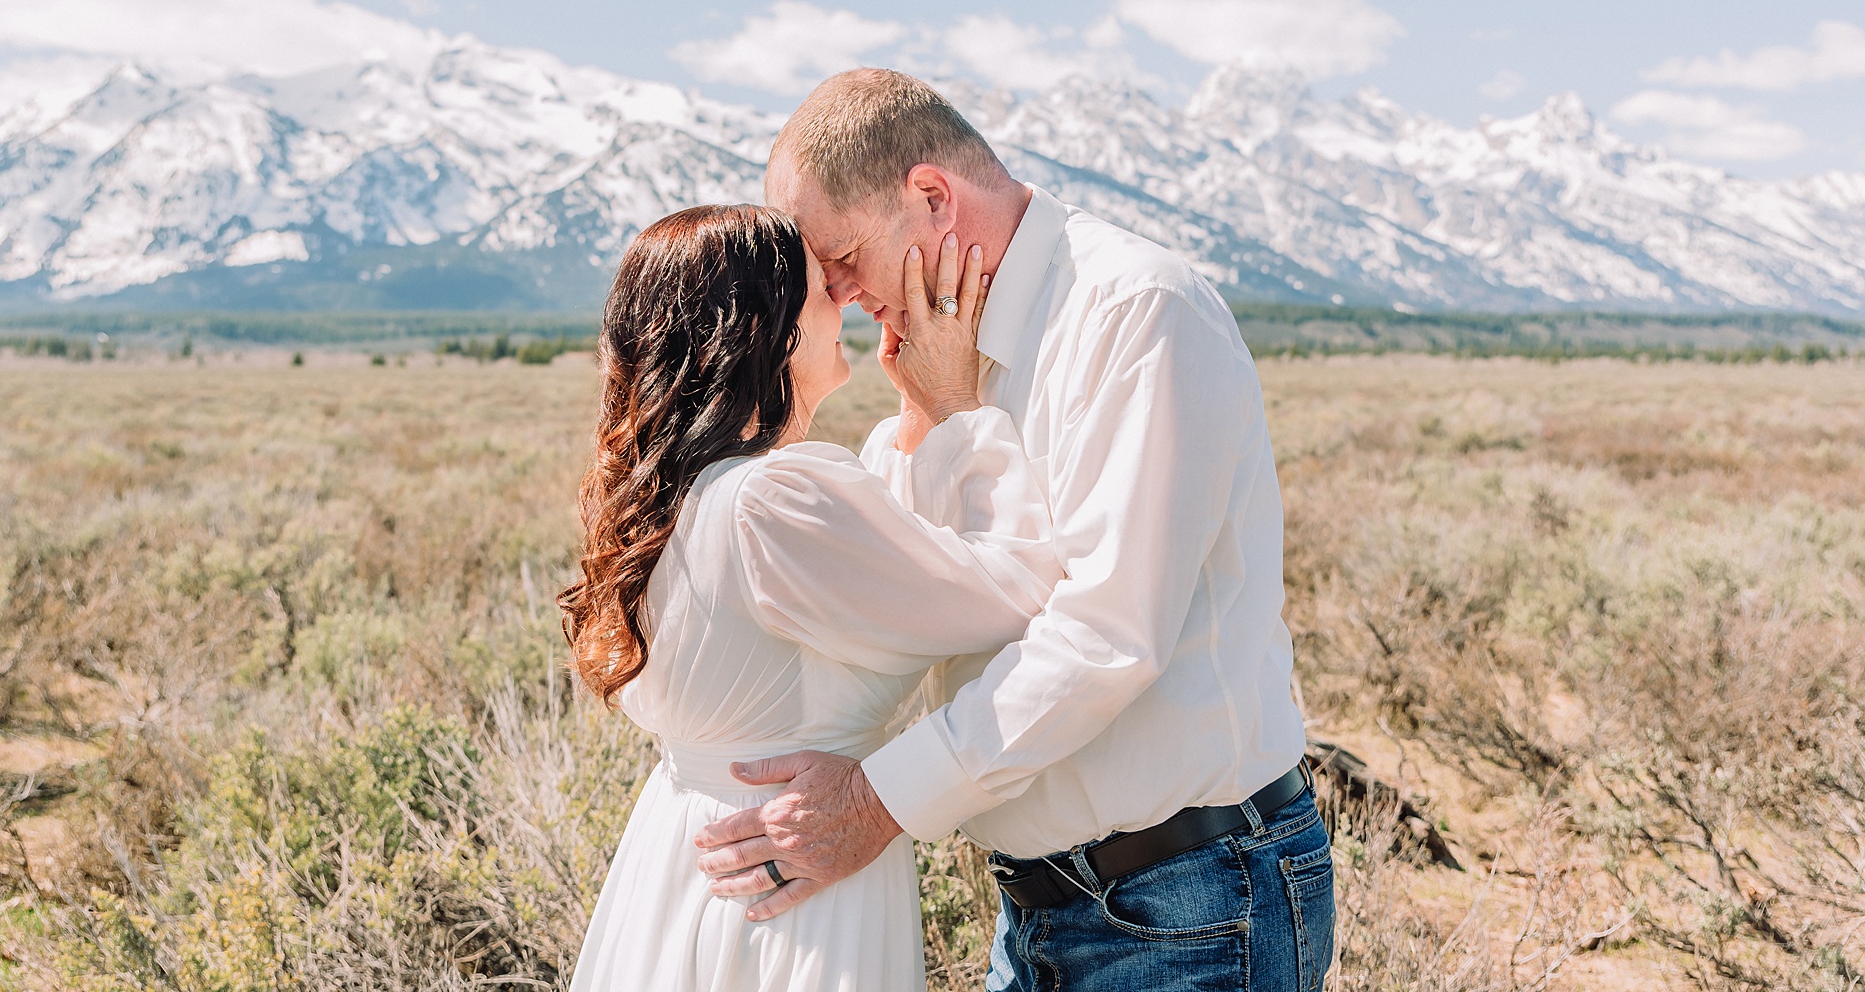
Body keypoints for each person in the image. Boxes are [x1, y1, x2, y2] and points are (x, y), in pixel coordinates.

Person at [695, 70, 1334, 991]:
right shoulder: (949, 350)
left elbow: (1105, 634)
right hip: (1040, 911)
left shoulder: (1135, 314)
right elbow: (930, 599)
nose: (831, 293)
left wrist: (874, 803)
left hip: (1187, 907)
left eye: (838, 257)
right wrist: (930, 415)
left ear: (930, 197)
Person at [563, 203, 1064, 992]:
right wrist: (964, 408)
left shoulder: (677, 502)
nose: (852, 299)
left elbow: (883, 568)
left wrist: (916, 414)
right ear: (769, 328)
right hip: (790, 888)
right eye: (823, 287)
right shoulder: (774, 499)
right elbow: (1016, 590)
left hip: (682, 863)